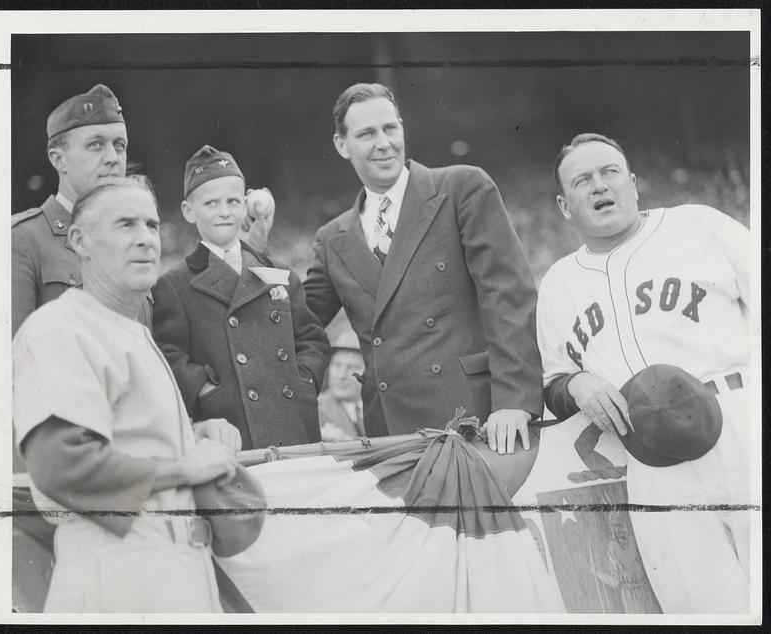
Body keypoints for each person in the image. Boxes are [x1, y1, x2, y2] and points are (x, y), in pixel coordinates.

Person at [537, 132, 750, 612]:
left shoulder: (698, 225)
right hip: (650, 458)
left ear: (633, 182)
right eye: (582, 181)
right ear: (564, 205)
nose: (599, 186)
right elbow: (552, 383)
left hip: (738, 419)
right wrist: (576, 382)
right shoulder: (557, 284)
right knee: (701, 607)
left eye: (610, 172)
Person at [12, 177, 243, 612]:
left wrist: (196, 434)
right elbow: (62, 466)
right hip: (113, 577)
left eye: (152, 226)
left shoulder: (128, 329)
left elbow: (128, 437)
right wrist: (184, 466)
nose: (145, 240)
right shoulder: (60, 328)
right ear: (79, 240)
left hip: (172, 572)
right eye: (126, 225)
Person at [304, 83, 542, 453]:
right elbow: (299, 324)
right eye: (366, 134)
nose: (383, 143)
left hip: (474, 421)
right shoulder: (331, 238)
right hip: (391, 434)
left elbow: (508, 297)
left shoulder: (462, 187)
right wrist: (252, 249)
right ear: (341, 145)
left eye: (390, 128)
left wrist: (514, 400)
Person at [11, 83, 275, 336]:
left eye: (119, 145)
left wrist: (249, 252)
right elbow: (11, 361)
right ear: (58, 158)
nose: (113, 158)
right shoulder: (24, 239)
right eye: (96, 145)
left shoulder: (138, 238)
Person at [152, 145, 330, 450]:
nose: (224, 211)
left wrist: (304, 381)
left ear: (245, 205)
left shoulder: (278, 271)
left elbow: (312, 338)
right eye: (211, 203)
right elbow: (169, 355)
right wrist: (206, 391)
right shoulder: (174, 284)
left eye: (233, 201)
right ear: (188, 211)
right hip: (234, 430)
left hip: (294, 423)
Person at [318, 330, 366, 441]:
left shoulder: (380, 409)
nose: (341, 375)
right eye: (337, 365)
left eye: (351, 367)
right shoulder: (316, 410)